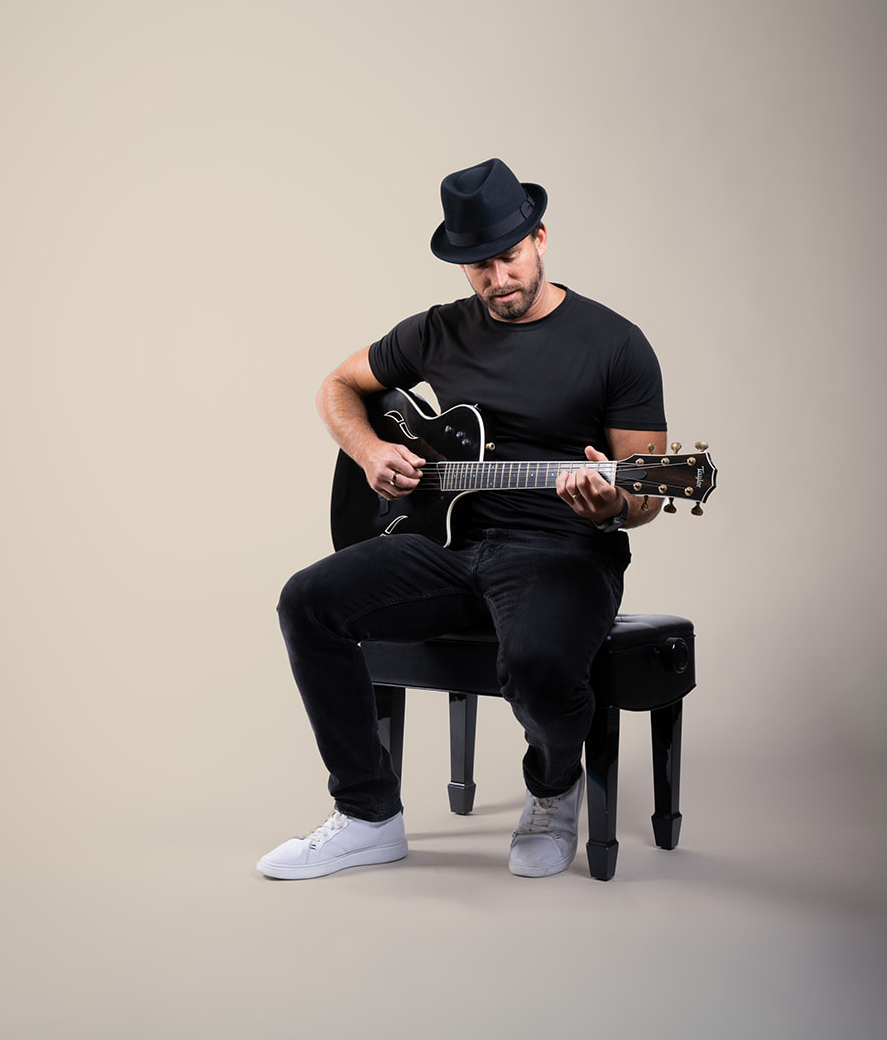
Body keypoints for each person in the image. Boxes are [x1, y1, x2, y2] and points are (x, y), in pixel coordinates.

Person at [259, 157, 667, 881]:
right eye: (477, 267)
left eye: (507, 258)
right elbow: (338, 385)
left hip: (560, 550)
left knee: (538, 662)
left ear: (539, 238)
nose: (496, 280)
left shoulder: (614, 343)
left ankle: (551, 788)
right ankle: (367, 816)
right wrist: (370, 449)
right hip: (445, 546)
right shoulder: (437, 332)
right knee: (308, 600)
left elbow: (645, 493)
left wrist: (613, 501)